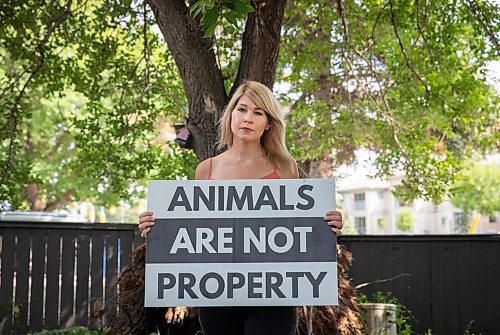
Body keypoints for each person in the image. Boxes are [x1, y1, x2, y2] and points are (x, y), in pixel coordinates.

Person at [138, 81, 343, 335]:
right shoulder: (206, 169)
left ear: (269, 123)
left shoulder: (285, 168)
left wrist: (326, 224)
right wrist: (159, 229)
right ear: (231, 115)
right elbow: (195, 233)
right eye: (242, 110)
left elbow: (299, 230)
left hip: (273, 295)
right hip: (217, 294)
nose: (248, 118)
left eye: (258, 113)